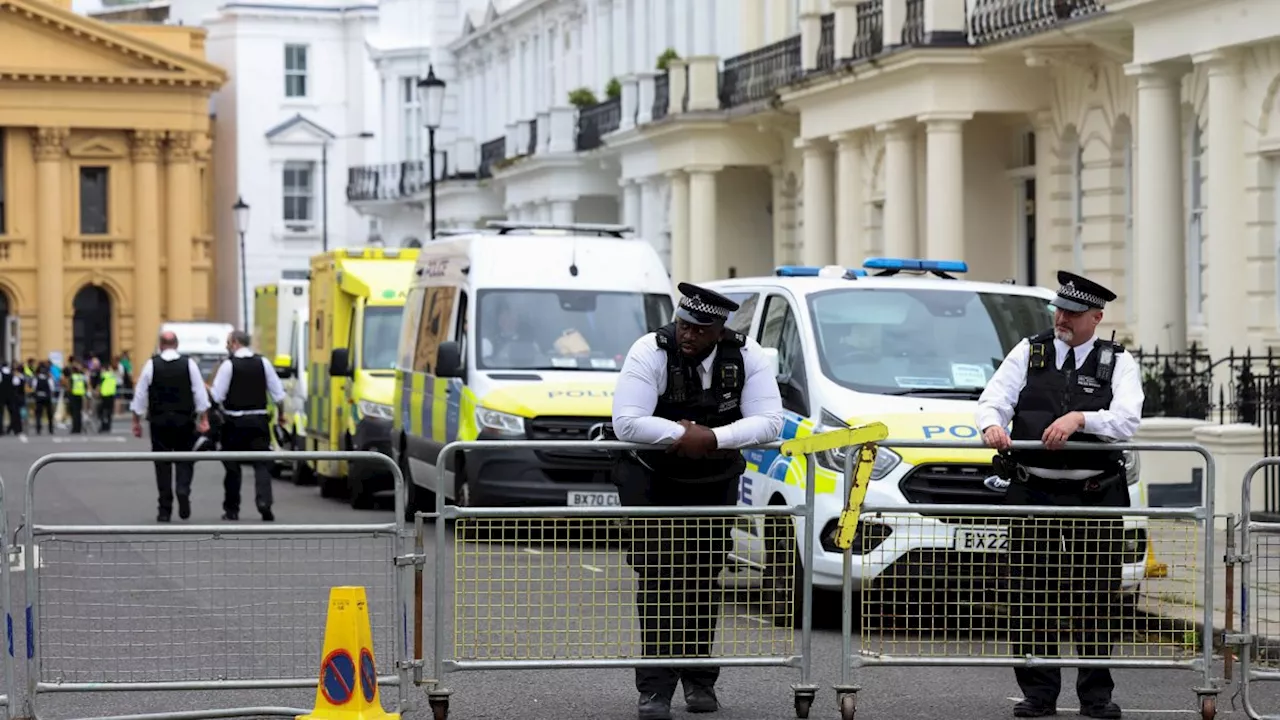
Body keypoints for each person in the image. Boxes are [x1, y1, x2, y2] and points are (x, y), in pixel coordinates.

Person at [611, 282, 785, 720]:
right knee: (659, 577)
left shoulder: (748, 356)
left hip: (713, 479)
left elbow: (770, 422)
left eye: (699, 329)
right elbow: (627, 422)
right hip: (654, 481)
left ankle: (699, 679)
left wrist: (712, 438)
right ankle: (654, 690)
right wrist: (679, 435)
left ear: (720, 329)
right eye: (684, 324)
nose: (688, 335)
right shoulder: (649, 349)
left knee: (703, 576)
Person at [975, 271, 1143, 720]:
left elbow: (1127, 420)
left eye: (1071, 312)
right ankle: (1038, 694)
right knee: (1032, 592)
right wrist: (992, 423)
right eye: (1058, 310)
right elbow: (994, 398)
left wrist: (1080, 420)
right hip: (1034, 489)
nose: (1060, 318)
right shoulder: (1030, 351)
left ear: (1096, 316)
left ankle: (1096, 697)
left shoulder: (1117, 362)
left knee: (1096, 594)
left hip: (1096, 492)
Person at [131, 331, 212, 522]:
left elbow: (140, 394)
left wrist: (136, 420)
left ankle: (164, 509)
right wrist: (204, 418)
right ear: (176, 344)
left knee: (162, 463)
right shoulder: (189, 364)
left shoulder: (151, 365)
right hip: (184, 420)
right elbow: (199, 393)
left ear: (160, 345)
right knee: (185, 458)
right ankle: (183, 489)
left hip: (159, 421)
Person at [209, 330, 285, 521]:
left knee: (232, 467)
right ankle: (264, 502)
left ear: (234, 342)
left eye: (228, 342)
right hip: (259, 420)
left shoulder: (228, 365)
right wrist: (281, 415)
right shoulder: (263, 363)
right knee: (262, 464)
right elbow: (279, 395)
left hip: (234, 422)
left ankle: (232, 509)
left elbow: (217, 396)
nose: (227, 346)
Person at [30, 362, 55, 435]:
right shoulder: (49, 379)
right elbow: (52, 388)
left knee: (38, 414)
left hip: (39, 398)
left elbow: (34, 388)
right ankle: (50, 429)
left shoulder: (36, 379)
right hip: (47, 398)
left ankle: (38, 429)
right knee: (49, 414)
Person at [97, 364, 118, 433]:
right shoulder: (113, 375)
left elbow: (99, 385)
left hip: (104, 395)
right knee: (109, 412)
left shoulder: (103, 375)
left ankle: (103, 426)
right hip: (111, 395)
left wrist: (97, 392)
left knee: (102, 411)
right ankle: (108, 427)